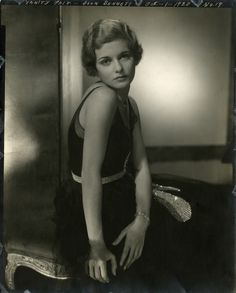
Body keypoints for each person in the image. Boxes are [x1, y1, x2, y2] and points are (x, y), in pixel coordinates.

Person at [54, 19, 190, 290]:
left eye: (124, 56)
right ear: (95, 66)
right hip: (88, 207)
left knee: (178, 237)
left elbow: (141, 167)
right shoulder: (103, 99)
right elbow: (90, 174)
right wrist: (96, 245)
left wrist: (142, 220)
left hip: (119, 192)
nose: (118, 68)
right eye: (106, 61)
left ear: (134, 57)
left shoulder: (130, 104)